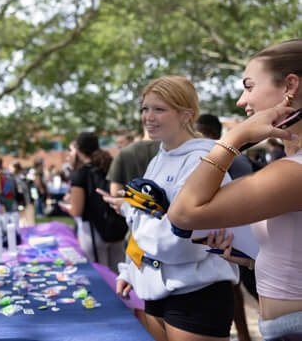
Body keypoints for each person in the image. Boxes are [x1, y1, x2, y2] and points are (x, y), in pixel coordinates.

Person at [168, 39, 302, 340]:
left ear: (290, 86)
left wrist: (234, 137)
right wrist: (256, 259)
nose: (242, 101)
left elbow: (183, 213)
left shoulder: (294, 172)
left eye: (249, 86)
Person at [102, 76, 239, 341]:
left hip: (197, 293)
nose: (148, 117)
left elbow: (176, 243)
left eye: (159, 109)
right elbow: (146, 226)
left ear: (186, 114)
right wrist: (130, 270)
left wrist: (129, 209)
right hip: (155, 293)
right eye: (145, 108)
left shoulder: (206, 162)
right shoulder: (158, 159)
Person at [195, 113, 256, 341]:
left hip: (238, 237)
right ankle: (243, 333)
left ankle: (244, 334)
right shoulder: (209, 159)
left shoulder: (234, 161)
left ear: (212, 134)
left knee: (243, 288)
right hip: (221, 237)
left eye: (199, 132)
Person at [62, 133, 126, 272]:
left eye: (71, 150)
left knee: (102, 278)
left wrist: (66, 207)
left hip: (94, 231)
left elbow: (76, 210)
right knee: (119, 277)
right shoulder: (109, 165)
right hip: (118, 227)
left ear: (78, 150)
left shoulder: (80, 173)